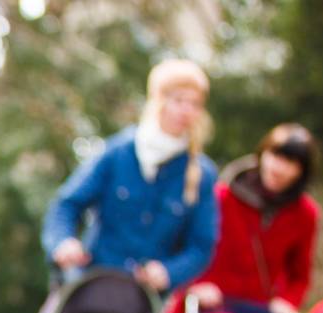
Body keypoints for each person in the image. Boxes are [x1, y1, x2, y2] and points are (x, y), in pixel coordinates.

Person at [42, 58, 219, 296]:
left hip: (144, 301)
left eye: (195, 104)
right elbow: (67, 204)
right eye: (178, 100)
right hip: (92, 284)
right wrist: (63, 242)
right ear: (159, 101)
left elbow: (201, 246)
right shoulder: (117, 153)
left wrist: (168, 272)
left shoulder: (202, 175)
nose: (186, 111)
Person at [176, 124, 320, 313]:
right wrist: (193, 287)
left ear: (301, 171)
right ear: (262, 155)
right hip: (206, 308)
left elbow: (300, 277)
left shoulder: (305, 214)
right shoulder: (221, 197)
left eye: (290, 162)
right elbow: (184, 248)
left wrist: (286, 303)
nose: (278, 167)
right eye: (275, 156)